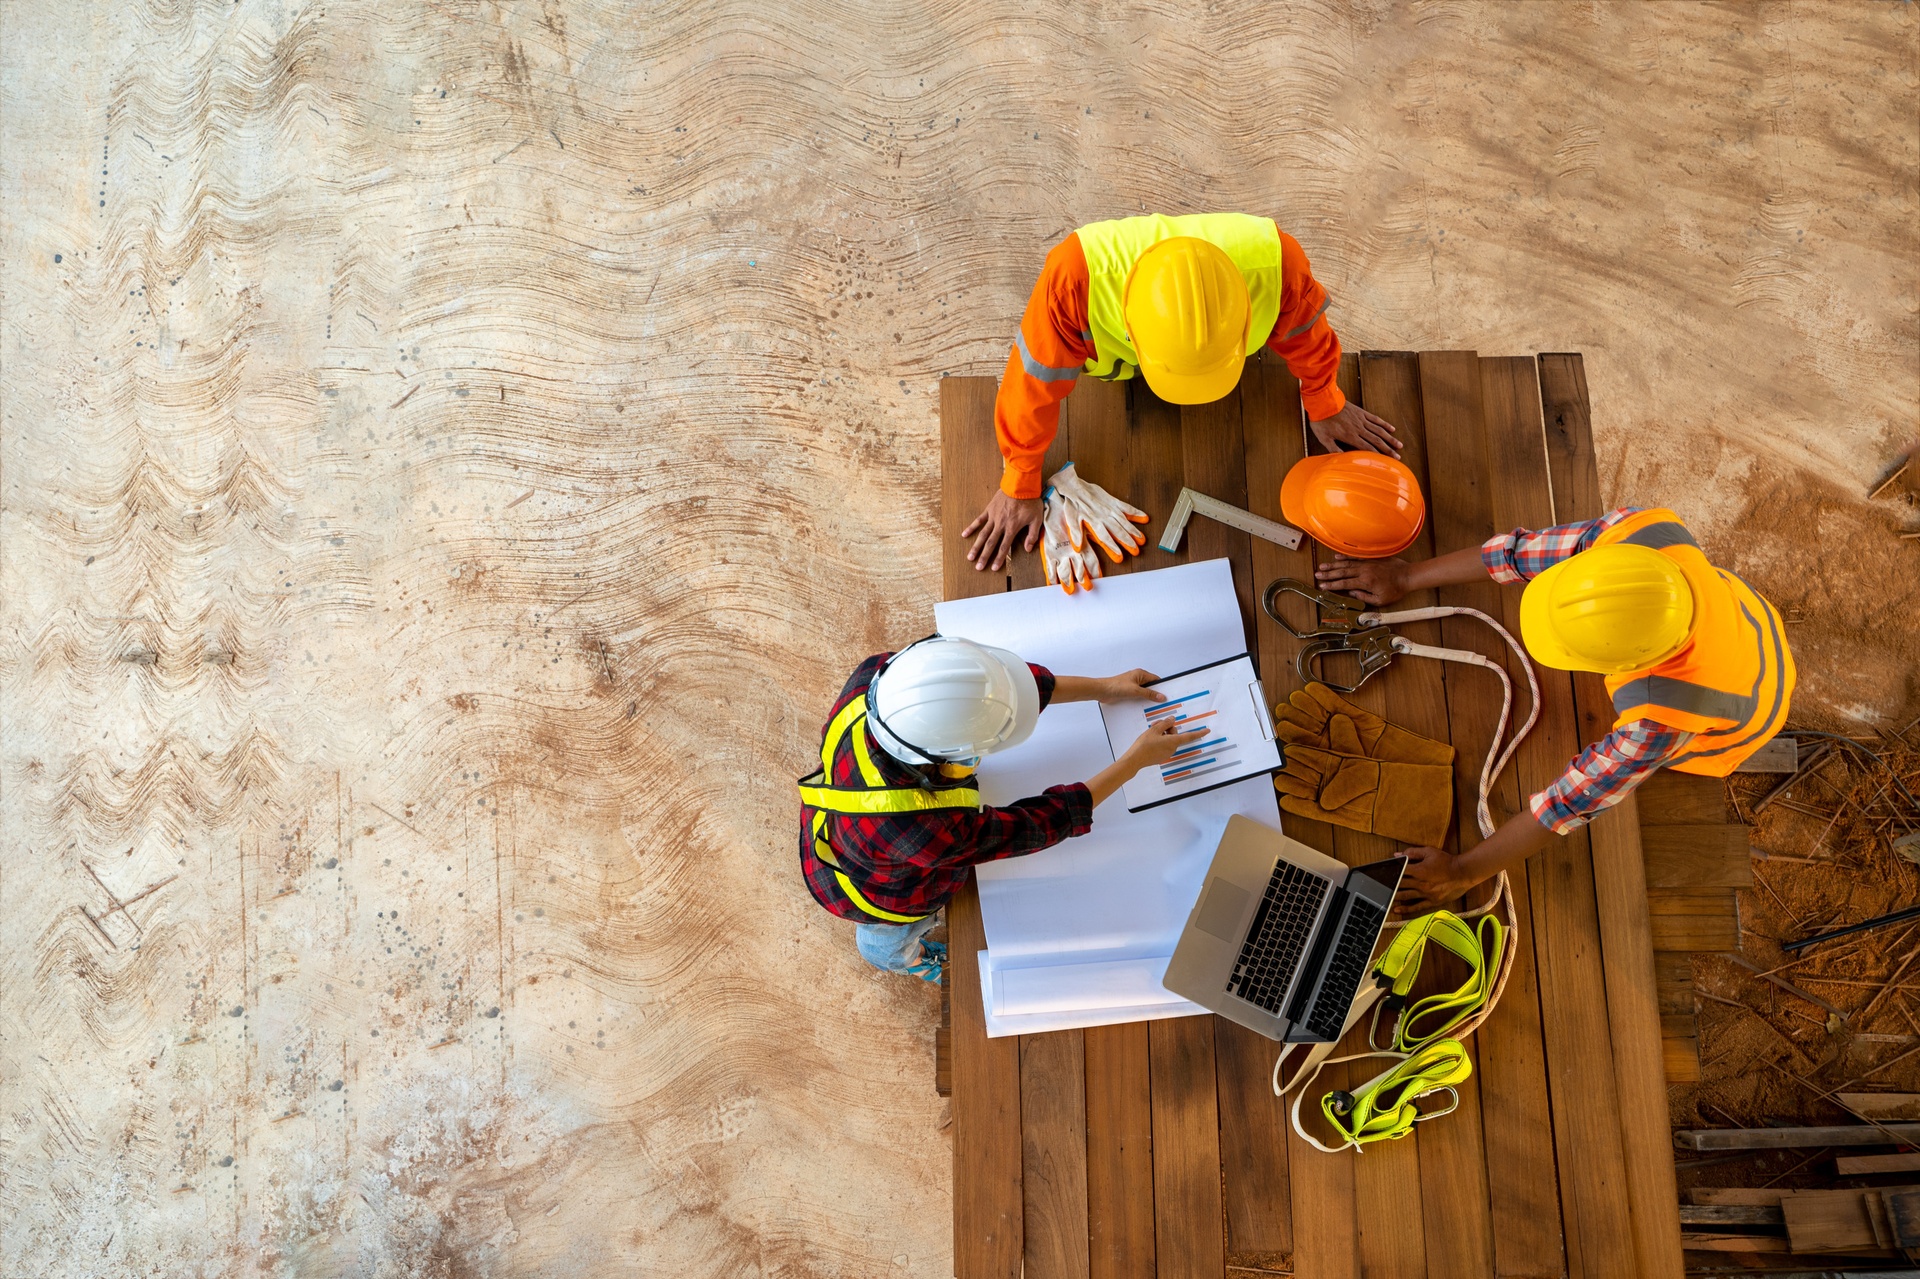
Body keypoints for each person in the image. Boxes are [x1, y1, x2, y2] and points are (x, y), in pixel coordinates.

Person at [1314, 506, 1795, 912]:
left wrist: (1463, 871)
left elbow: (1570, 802)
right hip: (1752, 623)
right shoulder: (1635, 534)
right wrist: (1406, 575)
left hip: (1747, 715)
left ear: (1626, 666)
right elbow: (1519, 553)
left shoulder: (1663, 720)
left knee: (1681, 755)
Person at [963, 212, 1405, 572]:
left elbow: (1308, 333)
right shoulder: (1073, 281)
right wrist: (1020, 479)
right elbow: (1032, 382)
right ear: (1130, 327)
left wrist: (1324, 398)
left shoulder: (1277, 265)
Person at [798, 636, 1205, 981]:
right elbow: (1041, 822)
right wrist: (1134, 762)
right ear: (945, 756)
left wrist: (1108, 687)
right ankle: (899, 957)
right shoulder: (925, 830)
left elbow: (998, 688)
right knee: (886, 939)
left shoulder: (880, 679)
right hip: (878, 892)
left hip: (841, 825)